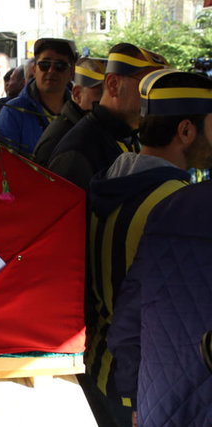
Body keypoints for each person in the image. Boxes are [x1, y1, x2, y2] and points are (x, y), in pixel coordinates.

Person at [101, 70, 212, 427]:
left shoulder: (114, 176)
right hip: (147, 383)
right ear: (186, 131)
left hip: (111, 373)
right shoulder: (175, 205)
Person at [48, 43, 169, 190]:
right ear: (113, 85)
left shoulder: (126, 136)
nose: (157, 96)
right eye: (148, 85)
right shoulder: (78, 151)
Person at [0, 38, 77, 155]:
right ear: (34, 70)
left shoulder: (79, 112)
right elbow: (3, 160)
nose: (51, 70)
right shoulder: (13, 111)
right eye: (44, 65)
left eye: (60, 66)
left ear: (71, 73)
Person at [33, 57, 107, 166]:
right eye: (100, 93)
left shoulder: (92, 129)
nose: (106, 100)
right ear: (77, 95)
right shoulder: (59, 138)